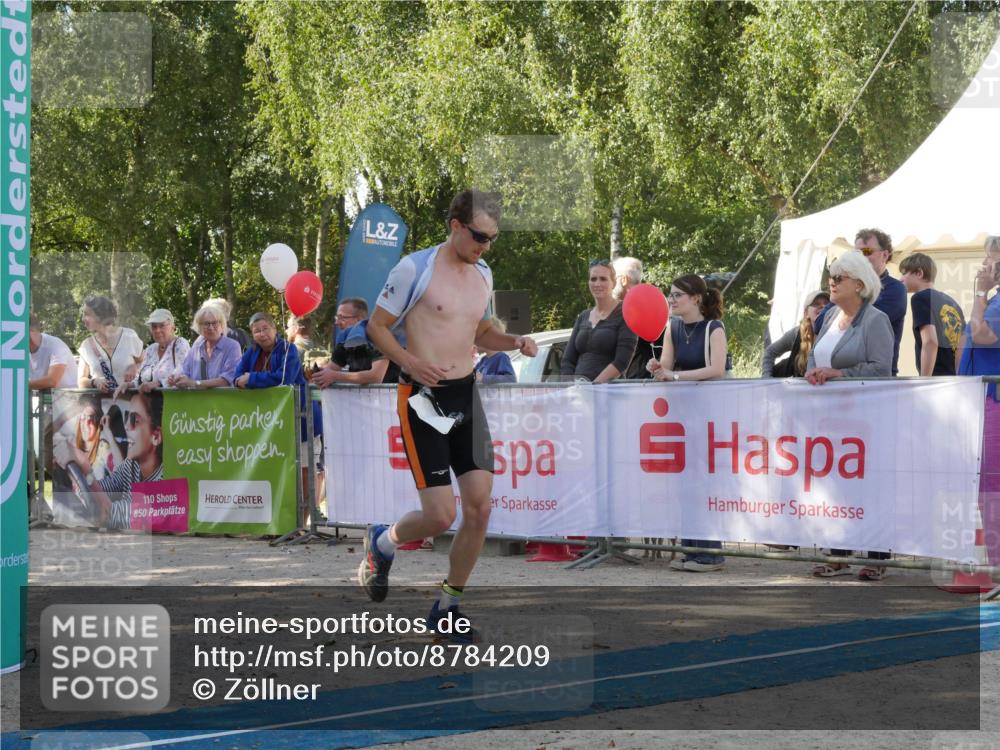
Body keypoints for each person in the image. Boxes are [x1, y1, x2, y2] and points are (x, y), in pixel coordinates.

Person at [362, 189, 537, 640]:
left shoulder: (483, 271)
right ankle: (382, 542)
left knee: (479, 509)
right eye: (479, 235)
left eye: (493, 238)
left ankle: (447, 605)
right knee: (440, 516)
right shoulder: (413, 269)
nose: (486, 245)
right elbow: (376, 326)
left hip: (466, 395)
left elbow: (479, 331)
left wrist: (513, 341)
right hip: (422, 397)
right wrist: (409, 361)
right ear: (456, 226)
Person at [804, 250, 893, 580]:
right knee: (835, 488)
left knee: (868, 487)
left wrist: (839, 374)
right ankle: (838, 554)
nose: (832, 282)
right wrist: (814, 372)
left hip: (865, 418)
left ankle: (878, 557)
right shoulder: (828, 317)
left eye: (838, 278)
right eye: (831, 276)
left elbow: (882, 370)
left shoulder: (876, 321)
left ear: (858, 284)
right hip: (829, 418)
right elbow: (817, 356)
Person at [647, 274, 729, 572]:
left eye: (677, 295)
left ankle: (711, 553)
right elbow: (667, 366)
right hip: (684, 413)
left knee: (705, 483)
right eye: (671, 294)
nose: (671, 300)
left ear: (696, 298)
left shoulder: (714, 328)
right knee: (687, 482)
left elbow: (717, 369)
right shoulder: (673, 326)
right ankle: (694, 550)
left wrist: (676, 376)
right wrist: (656, 367)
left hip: (710, 413)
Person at [54, 391, 164, 530]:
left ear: (155, 437)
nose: (126, 426)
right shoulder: (132, 466)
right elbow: (104, 489)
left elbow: (109, 514)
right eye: (126, 418)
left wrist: (85, 467)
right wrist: (77, 475)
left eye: (134, 420)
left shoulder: (163, 480)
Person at [815, 229, 906, 376]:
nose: (860, 258)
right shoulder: (835, 307)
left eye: (866, 252)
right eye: (855, 253)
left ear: (885, 254)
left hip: (868, 386)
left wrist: (839, 373)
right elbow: (817, 326)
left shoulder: (895, 290)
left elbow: (863, 324)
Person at [560, 259, 637, 382]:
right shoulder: (583, 316)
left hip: (609, 393)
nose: (597, 283)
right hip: (579, 394)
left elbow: (622, 361)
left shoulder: (626, 313)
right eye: (593, 279)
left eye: (603, 279)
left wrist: (593, 387)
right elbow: (568, 360)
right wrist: (570, 385)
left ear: (614, 282)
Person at [899, 253, 966, 376]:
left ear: (919, 273)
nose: (900, 278)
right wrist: (956, 375)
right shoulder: (952, 303)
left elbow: (930, 341)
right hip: (952, 377)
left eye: (904, 273)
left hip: (934, 377)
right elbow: (962, 343)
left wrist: (925, 380)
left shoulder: (920, 298)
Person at [312, 298, 400, 386]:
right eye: (337, 318)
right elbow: (331, 369)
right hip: (363, 398)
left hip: (392, 397)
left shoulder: (378, 337)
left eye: (342, 317)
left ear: (359, 320)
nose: (337, 322)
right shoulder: (344, 340)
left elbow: (376, 376)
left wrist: (335, 376)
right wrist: (319, 374)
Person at [959, 236, 1000, 398]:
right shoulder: (994, 300)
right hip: (983, 393)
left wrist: (981, 291)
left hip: (993, 395)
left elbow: (980, 336)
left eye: (989, 256)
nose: (984, 262)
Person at [76, 295, 143, 394]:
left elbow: (145, 363)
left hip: (131, 401)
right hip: (102, 406)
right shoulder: (86, 345)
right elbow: (81, 381)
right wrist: (94, 382)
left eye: (87, 314)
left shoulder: (129, 336)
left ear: (100, 315)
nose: (83, 319)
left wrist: (134, 368)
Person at [613, 256, 665, 380]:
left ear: (624, 280)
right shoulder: (653, 300)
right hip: (633, 383)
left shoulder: (637, 307)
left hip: (639, 384)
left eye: (612, 278)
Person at [169, 302, 241, 389]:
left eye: (215, 323)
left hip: (224, 401)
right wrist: (177, 379)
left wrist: (196, 383)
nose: (211, 327)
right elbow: (185, 372)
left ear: (222, 325)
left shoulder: (232, 346)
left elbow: (227, 379)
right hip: (198, 401)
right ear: (199, 327)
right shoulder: (197, 347)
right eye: (206, 324)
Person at [762, 291, 830, 377]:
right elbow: (770, 352)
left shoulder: (837, 333)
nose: (823, 306)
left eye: (826, 303)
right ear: (806, 313)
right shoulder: (797, 334)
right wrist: (766, 378)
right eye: (816, 304)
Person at [126, 309, 191, 393]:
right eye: (154, 327)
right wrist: (129, 385)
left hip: (173, 401)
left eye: (161, 326)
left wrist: (159, 383)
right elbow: (140, 378)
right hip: (151, 401)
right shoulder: (151, 349)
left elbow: (183, 374)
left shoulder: (180, 344)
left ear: (173, 326)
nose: (157, 330)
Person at [29, 314, 78, 391]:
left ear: (32, 331)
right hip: (46, 399)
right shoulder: (21, 350)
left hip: (69, 400)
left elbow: (52, 381)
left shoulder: (55, 345)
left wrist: (20, 384)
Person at [474, 317, 517, 384]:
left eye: (478, 336)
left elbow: (510, 379)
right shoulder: (483, 360)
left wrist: (483, 378)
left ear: (491, 338)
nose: (475, 340)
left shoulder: (501, 358)